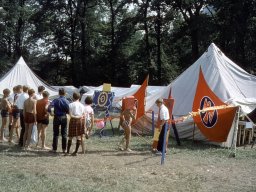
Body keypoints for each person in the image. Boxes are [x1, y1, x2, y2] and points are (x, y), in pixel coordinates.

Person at [50, 88, 69, 153]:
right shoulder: (66, 101)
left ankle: (54, 149)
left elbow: (49, 107)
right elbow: (68, 110)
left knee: (55, 133)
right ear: (65, 93)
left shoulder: (55, 100)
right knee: (64, 133)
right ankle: (64, 149)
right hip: (63, 117)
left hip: (56, 117)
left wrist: (51, 112)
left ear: (58, 93)